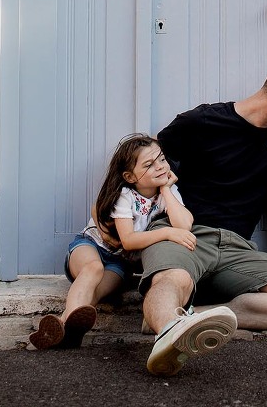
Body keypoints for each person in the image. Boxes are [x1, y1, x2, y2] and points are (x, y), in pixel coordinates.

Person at [140, 54, 267, 376]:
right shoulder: (201, 121)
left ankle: (183, 317)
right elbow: (145, 166)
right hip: (184, 232)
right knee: (174, 279)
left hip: (236, 246)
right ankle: (167, 332)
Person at [30, 132, 195, 350]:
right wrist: (167, 233)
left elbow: (184, 225)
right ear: (130, 176)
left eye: (162, 160)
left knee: (96, 293)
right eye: (149, 164)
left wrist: (165, 188)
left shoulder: (168, 193)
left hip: (120, 263)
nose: (161, 167)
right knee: (93, 269)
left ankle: (65, 328)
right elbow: (128, 241)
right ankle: (64, 323)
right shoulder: (125, 194)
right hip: (90, 246)